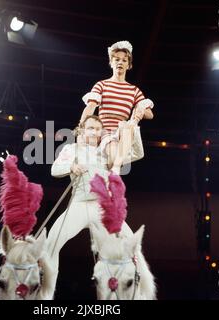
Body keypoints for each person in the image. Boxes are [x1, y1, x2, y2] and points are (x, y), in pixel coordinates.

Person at [45, 115, 143, 299]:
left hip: (103, 209)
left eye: (98, 129)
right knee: (52, 242)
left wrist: (133, 128)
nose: (94, 132)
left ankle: (131, 293)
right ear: (82, 129)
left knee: (132, 245)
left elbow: (137, 153)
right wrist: (71, 166)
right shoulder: (71, 148)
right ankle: (45, 293)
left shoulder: (108, 149)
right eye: (90, 128)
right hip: (79, 206)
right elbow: (54, 169)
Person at [79, 40, 154, 167]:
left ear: (128, 65)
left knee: (127, 127)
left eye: (124, 60)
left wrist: (140, 109)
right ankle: (114, 171)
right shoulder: (102, 85)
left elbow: (150, 114)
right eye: (117, 59)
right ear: (111, 62)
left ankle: (114, 170)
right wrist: (81, 128)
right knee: (112, 158)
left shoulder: (134, 90)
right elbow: (90, 107)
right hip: (105, 132)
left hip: (123, 134)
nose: (120, 62)